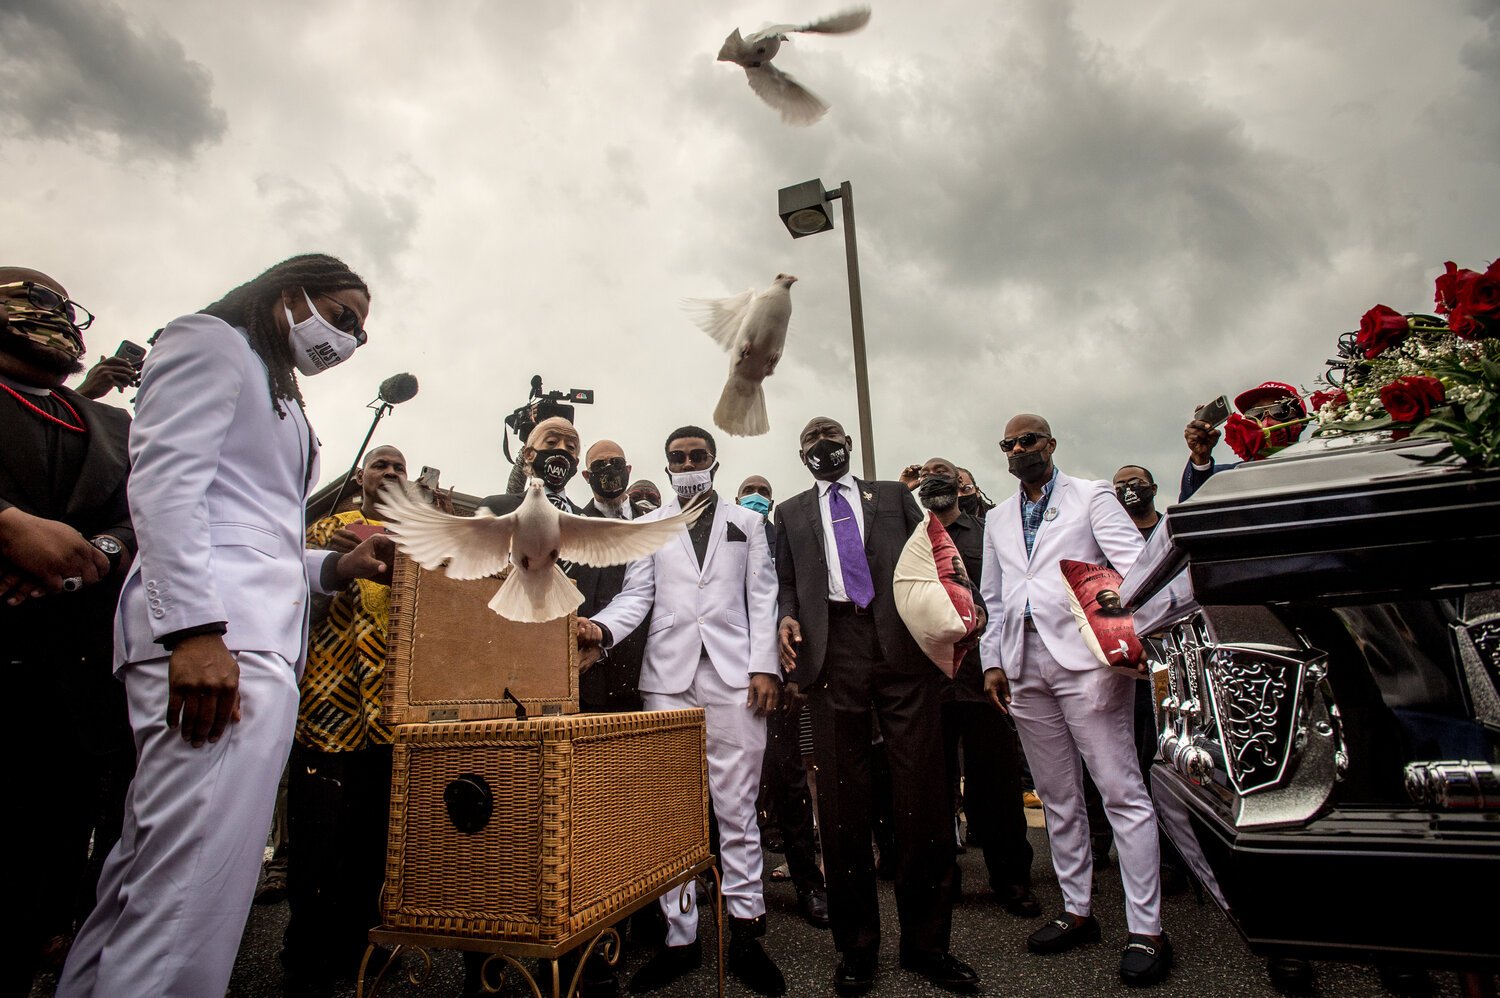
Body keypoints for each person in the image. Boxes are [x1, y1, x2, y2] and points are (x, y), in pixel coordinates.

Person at [57, 253, 395, 998]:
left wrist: (333, 570)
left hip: (252, 635)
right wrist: (193, 631)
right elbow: (165, 484)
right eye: (342, 318)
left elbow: (252, 534)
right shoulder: (210, 341)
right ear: (287, 293)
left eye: (360, 335)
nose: (348, 340)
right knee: (190, 894)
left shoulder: (280, 390)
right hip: (219, 645)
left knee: (150, 874)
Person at [774, 416, 979, 996]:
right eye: (810, 437)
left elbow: (938, 554)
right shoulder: (789, 512)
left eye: (830, 434)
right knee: (841, 807)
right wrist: (785, 616)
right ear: (801, 452)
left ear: (848, 444)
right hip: (832, 654)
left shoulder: (890, 496)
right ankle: (857, 948)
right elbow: (787, 582)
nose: (822, 443)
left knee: (922, 798)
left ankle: (927, 947)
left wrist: (964, 607)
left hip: (900, 648)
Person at [583, 427, 786, 996]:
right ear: (667, 465)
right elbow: (636, 596)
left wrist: (764, 665)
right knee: (670, 812)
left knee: (738, 808)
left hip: (734, 677)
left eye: (697, 455)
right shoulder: (652, 525)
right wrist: (601, 629)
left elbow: (763, 596)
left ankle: (746, 934)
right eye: (678, 457)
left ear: (714, 461)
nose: (688, 463)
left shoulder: (747, 524)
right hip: (667, 679)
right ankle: (680, 938)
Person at [979, 414, 1170, 987]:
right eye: (1009, 444)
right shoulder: (996, 517)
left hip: (1087, 660)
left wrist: (1128, 642)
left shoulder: (1092, 497)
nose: (1019, 449)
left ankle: (1147, 927)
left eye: (1028, 440)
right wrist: (992, 660)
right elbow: (993, 592)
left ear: (1051, 444)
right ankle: (1077, 909)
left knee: (1120, 791)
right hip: (1023, 662)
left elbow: (1135, 570)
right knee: (1058, 796)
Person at [0, 268, 136, 997]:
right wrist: (10, 529)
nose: (50, 311)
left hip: (76, 686)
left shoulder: (114, 429)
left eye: (61, 302)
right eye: (28, 294)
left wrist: (95, 554)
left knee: (52, 858)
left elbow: (141, 514)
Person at [281, 444, 410, 995]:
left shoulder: (418, 538)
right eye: (381, 464)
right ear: (360, 475)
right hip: (326, 708)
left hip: (393, 712)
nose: (390, 472)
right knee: (317, 840)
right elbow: (285, 591)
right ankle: (305, 957)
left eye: (399, 467)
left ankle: (370, 949)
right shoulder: (321, 527)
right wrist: (327, 563)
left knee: (377, 841)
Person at [912, 457, 1038, 918]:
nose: (934, 478)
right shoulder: (913, 538)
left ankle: (1012, 880)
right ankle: (944, 882)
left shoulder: (985, 532)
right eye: (927, 474)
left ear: (960, 485)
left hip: (984, 679)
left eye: (942, 471)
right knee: (934, 790)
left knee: (997, 788)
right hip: (930, 684)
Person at [740, 474, 831, 931]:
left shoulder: (781, 543)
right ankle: (734, 887)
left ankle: (808, 884)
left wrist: (791, 677)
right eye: (748, 492)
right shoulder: (726, 537)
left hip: (777, 683)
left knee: (790, 783)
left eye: (762, 492)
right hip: (725, 679)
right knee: (731, 791)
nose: (755, 499)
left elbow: (792, 606)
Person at [576, 439, 647, 713]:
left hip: (640, 673)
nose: (609, 470)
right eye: (599, 465)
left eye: (616, 463)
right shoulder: (573, 526)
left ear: (628, 469)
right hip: (588, 678)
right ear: (586, 476)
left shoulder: (651, 524)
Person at [1180, 381, 1307, 501]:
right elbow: (1189, 508)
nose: (1267, 422)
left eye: (1280, 411)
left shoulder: (1321, 467)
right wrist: (1200, 457)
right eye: (1256, 414)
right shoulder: (1222, 477)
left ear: (1301, 422)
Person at [480, 416, 584, 514]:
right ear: (529, 454)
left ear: (576, 464)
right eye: (551, 442)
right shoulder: (495, 509)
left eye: (570, 446)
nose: (562, 448)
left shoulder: (589, 521)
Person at [1113, 466, 1160, 537]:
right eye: (1120, 486)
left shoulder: (1171, 527)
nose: (1128, 489)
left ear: (1153, 489)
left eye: (1135, 483)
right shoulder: (1110, 533)